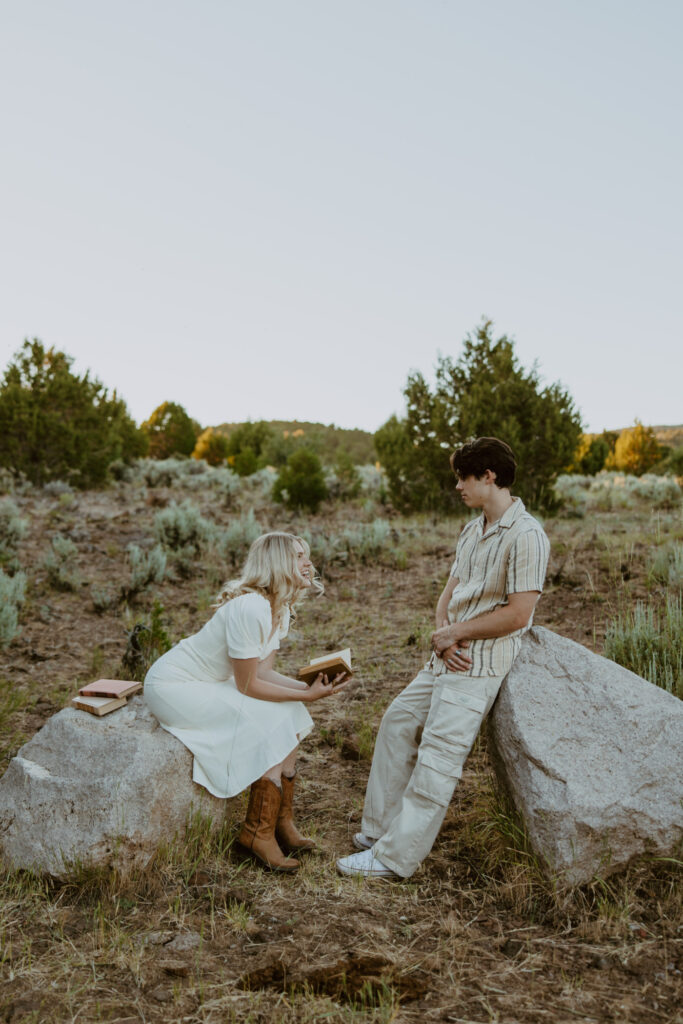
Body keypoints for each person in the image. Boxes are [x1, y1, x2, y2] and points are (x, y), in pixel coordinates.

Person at [336, 437, 550, 880]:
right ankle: (380, 832)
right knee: (398, 721)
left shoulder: (528, 534)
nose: (458, 486)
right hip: (448, 652)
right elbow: (449, 594)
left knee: (438, 756)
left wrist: (458, 634)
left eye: (463, 477)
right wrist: (444, 635)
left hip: (479, 662)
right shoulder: (473, 528)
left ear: (488, 477)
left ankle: (394, 860)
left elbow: (518, 613)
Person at [145, 532, 350, 873]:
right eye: (298, 556)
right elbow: (248, 684)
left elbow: (264, 673)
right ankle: (258, 833)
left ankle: (280, 823)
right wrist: (306, 694)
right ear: (277, 563)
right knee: (269, 722)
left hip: (212, 682)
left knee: (291, 712)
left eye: (306, 555)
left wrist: (309, 686)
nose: (308, 562)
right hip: (174, 686)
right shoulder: (250, 607)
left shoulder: (279, 608)